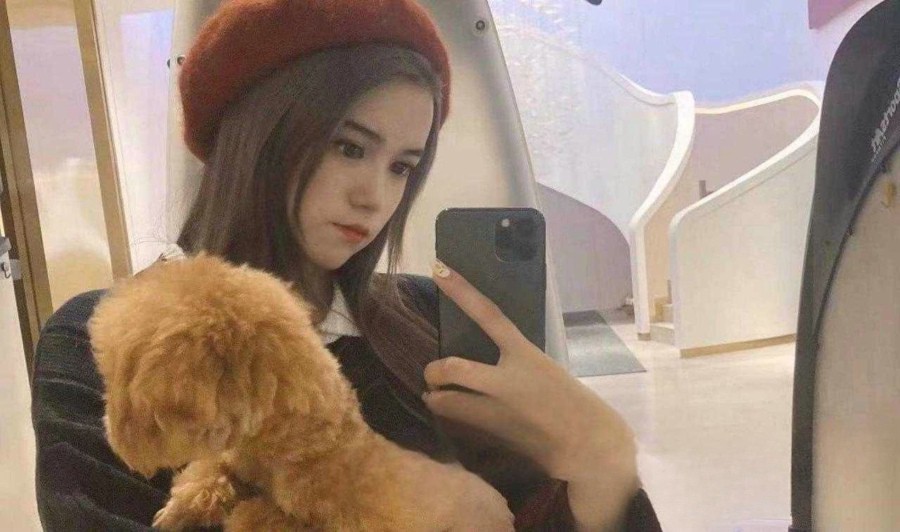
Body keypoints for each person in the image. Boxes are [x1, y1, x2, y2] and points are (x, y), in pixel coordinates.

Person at [31, 0, 662, 530]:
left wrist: (602, 460)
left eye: (402, 166)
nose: (375, 197)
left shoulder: (427, 316)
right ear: (257, 132)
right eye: (349, 147)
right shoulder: (106, 343)